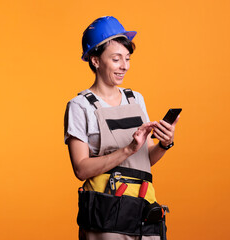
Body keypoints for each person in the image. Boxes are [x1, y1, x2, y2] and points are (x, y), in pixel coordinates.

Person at [64, 16, 180, 240]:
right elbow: (81, 169)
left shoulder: (135, 99)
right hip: (106, 216)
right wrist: (127, 149)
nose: (124, 66)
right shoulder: (80, 106)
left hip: (144, 212)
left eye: (127, 58)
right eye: (116, 59)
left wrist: (165, 144)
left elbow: (146, 160)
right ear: (95, 60)